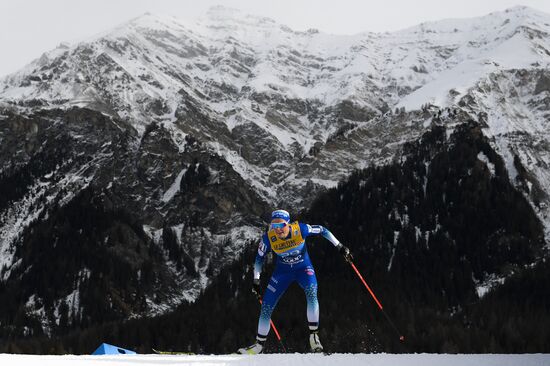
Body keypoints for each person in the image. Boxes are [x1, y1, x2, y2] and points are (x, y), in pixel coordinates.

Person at [238, 209, 352, 354]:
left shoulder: (301, 229)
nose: (278, 230)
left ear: (289, 224)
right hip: (282, 274)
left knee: (311, 293)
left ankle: (314, 336)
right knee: (266, 306)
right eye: (274, 227)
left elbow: (323, 230)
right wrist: (256, 280)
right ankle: (259, 345)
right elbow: (259, 259)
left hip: (303, 269)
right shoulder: (268, 238)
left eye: (281, 226)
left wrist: (340, 246)